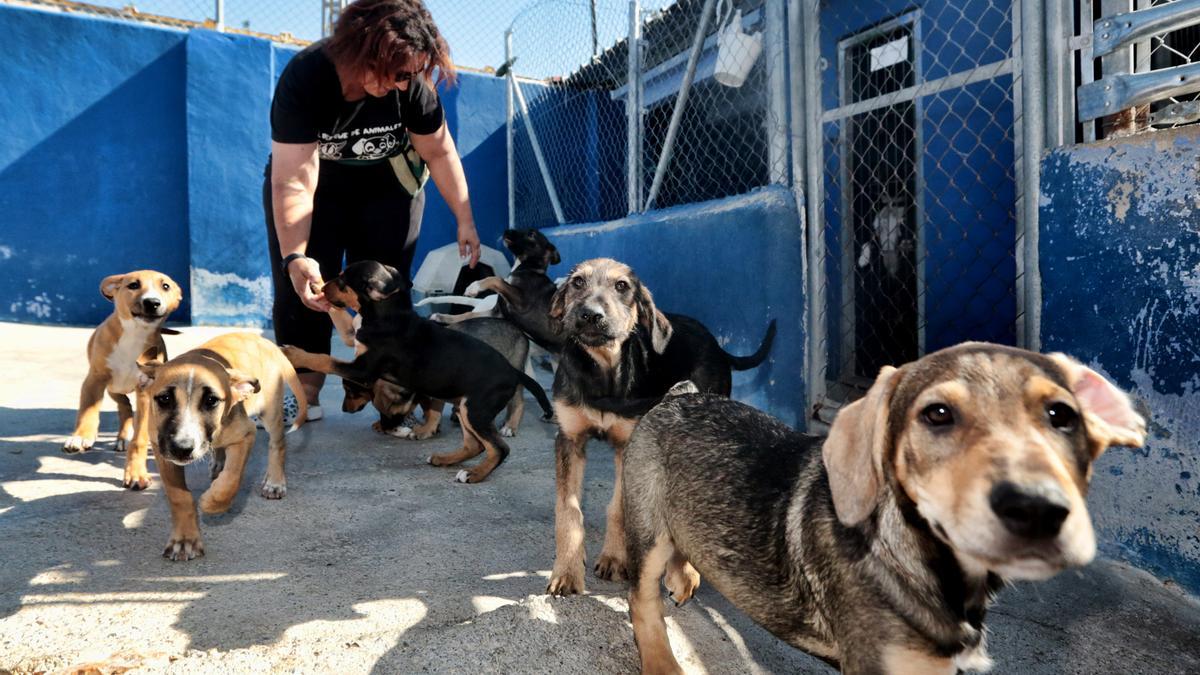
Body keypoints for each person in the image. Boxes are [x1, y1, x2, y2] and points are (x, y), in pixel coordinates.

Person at [264, 0, 480, 421]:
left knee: (384, 294)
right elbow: (293, 178)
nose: (404, 84)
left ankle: (389, 389)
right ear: (365, 51)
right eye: (398, 73)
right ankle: (302, 392)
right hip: (317, 190)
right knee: (305, 286)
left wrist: (465, 218)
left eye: (411, 75)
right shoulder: (307, 77)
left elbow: (438, 152)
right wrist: (295, 255)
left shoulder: (413, 85)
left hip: (388, 188)